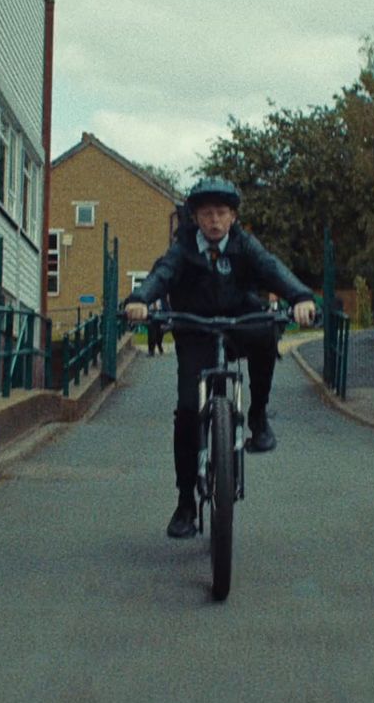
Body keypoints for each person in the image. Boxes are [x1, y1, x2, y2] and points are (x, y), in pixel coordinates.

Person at [123, 177, 317, 539]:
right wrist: (140, 300)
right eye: (207, 214)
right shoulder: (183, 248)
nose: (214, 221)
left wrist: (301, 297)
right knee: (185, 411)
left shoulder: (244, 244)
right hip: (194, 328)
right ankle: (185, 503)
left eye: (222, 213)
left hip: (240, 319)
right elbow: (161, 274)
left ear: (233, 217)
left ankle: (257, 416)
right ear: (195, 217)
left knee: (265, 334)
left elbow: (272, 267)